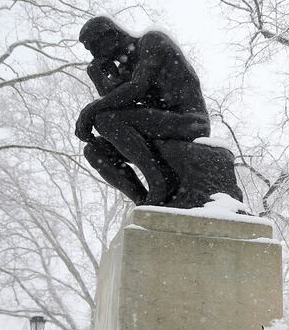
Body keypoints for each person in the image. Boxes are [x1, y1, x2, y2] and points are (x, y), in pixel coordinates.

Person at [75, 17, 211, 205]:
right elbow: (117, 102)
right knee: (95, 150)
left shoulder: (152, 41)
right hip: (159, 125)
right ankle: (143, 201)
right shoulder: (125, 67)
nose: (93, 54)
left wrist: (90, 111)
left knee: (105, 120)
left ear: (111, 34)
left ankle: (161, 181)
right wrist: (97, 76)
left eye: (93, 46)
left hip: (189, 121)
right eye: (89, 50)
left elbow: (136, 88)